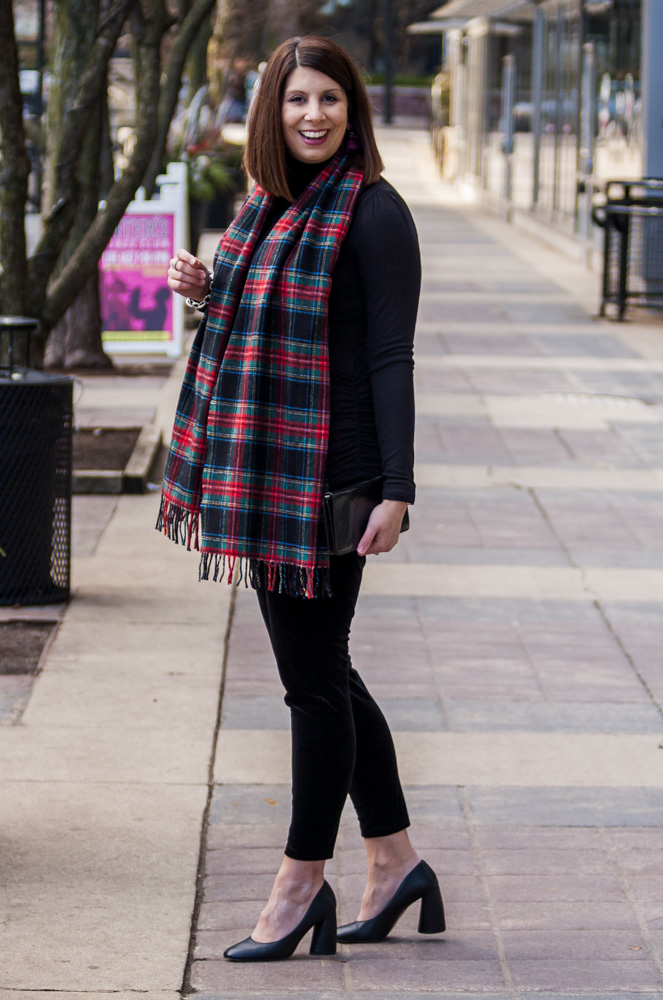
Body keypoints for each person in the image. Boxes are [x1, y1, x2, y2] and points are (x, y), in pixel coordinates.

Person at [160, 35, 445, 962]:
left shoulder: (372, 212)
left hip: (335, 475)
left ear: (351, 108)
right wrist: (212, 292)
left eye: (327, 98)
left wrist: (395, 490)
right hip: (277, 476)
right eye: (295, 101)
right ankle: (395, 860)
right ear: (271, 114)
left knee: (311, 684)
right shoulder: (269, 210)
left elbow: (389, 355)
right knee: (326, 670)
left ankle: (298, 886)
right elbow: (263, 326)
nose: (312, 115)